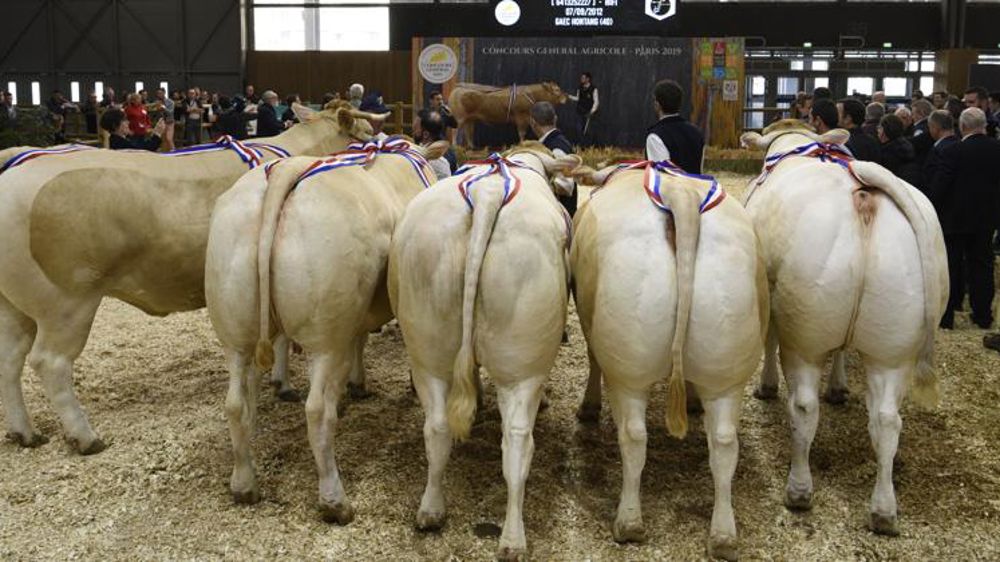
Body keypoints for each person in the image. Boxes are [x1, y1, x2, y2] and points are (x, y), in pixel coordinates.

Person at [929, 108, 1000, 329]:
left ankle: (947, 317)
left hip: (955, 218)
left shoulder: (953, 151)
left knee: (951, 266)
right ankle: (982, 316)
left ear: (962, 126)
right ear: (984, 126)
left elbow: (941, 185)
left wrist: (932, 206)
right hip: (986, 218)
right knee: (983, 265)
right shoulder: (997, 149)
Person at [645, 79, 704, 174]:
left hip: (671, 184)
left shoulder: (655, 136)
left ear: (657, 105)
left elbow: (661, 175)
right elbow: (699, 170)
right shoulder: (696, 133)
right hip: (695, 183)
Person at [530, 101, 577, 217]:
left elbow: (567, 186)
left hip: (559, 216)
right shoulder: (554, 143)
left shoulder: (556, 148)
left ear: (533, 123)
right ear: (555, 119)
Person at [877, 113, 921, 186]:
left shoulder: (887, 154)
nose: (877, 130)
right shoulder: (907, 145)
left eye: (879, 127)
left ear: (884, 131)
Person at [921, 109, 958, 193]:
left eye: (930, 127)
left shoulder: (939, 150)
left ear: (935, 127)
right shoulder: (960, 144)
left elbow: (936, 183)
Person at [837, 98, 880, 162]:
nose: (834, 116)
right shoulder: (872, 141)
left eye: (837, 113)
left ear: (848, 119)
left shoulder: (843, 143)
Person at [414, 111, 453, 181]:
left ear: (426, 134)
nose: (414, 131)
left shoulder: (422, 156)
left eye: (417, 128)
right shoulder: (449, 153)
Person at [567, 72, 599, 146]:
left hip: (588, 113)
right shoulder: (580, 88)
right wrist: (569, 96)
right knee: (579, 129)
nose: (581, 79)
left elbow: (596, 101)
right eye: (581, 78)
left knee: (588, 131)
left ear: (588, 79)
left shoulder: (593, 89)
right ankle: (581, 145)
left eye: (583, 78)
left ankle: (588, 146)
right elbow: (578, 98)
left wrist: (592, 111)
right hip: (580, 111)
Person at [908, 99, 934, 166]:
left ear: (921, 114)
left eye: (913, 114)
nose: (911, 117)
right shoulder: (931, 125)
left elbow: (915, 146)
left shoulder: (919, 129)